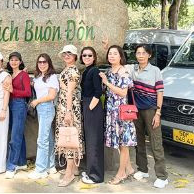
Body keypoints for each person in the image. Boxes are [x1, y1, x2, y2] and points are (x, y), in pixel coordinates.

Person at [127, 44, 168, 189]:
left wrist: (158, 112)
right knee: (139, 141)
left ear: (149, 55)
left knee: (156, 142)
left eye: (144, 53)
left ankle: (162, 176)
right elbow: (116, 62)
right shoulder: (132, 69)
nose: (141, 55)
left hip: (151, 110)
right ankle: (143, 169)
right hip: (136, 110)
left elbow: (160, 92)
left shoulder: (155, 70)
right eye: (138, 53)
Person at [99, 45, 137, 185]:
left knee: (123, 144)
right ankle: (128, 168)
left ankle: (121, 174)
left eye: (115, 53)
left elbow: (123, 92)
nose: (112, 56)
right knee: (120, 143)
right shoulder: (109, 70)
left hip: (121, 112)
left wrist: (107, 83)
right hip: (111, 111)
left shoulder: (123, 71)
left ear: (121, 56)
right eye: (110, 54)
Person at [55, 45, 83, 187]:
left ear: (75, 57)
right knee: (69, 136)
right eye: (65, 53)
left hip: (69, 107)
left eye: (70, 54)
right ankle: (74, 168)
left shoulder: (72, 70)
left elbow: (70, 92)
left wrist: (68, 111)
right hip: (64, 106)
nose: (67, 56)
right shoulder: (67, 69)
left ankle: (69, 173)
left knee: (69, 138)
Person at [28, 53, 59, 179]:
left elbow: (52, 96)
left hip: (46, 108)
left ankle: (40, 169)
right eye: (40, 62)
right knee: (49, 138)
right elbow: (35, 85)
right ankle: (51, 166)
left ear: (49, 63)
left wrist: (37, 101)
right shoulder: (39, 77)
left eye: (44, 62)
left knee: (42, 140)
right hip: (41, 109)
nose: (42, 64)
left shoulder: (52, 77)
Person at [1, 52, 31, 178]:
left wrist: (14, 91)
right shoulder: (9, 75)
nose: (14, 62)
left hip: (19, 105)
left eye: (16, 60)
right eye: (11, 60)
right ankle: (22, 162)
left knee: (14, 137)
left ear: (20, 61)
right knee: (18, 134)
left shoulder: (23, 74)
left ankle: (11, 166)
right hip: (10, 105)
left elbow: (28, 92)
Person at [79, 46, 104, 184]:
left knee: (94, 141)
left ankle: (96, 176)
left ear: (94, 57)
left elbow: (98, 91)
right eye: (84, 55)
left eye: (89, 55)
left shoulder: (94, 70)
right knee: (89, 140)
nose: (87, 57)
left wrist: (89, 107)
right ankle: (90, 171)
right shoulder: (87, 70)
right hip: (87, 105)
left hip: (92, 106)